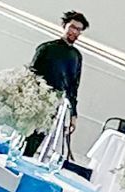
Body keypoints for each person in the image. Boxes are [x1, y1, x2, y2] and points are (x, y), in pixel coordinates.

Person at [26, 10, 89, 155]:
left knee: (36, 142)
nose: (75, 32)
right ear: (64, 26)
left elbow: (73, 86)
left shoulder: (76, 57)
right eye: (72, 27)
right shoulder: (46, 48)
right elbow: (31, 74)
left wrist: (73, 114)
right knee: (24, 138)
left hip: (54, 105)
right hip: (35, 100)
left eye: (79, 30)